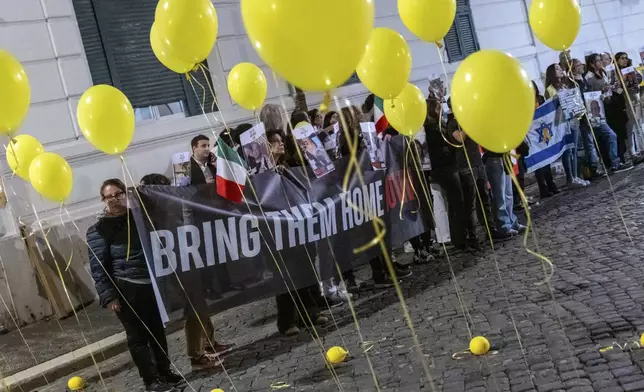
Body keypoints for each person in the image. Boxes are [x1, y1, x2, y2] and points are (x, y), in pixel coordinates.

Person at [88, 179, 180, 392]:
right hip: (126, 287)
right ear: (103, 200)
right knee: (138, 336)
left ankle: (164, 371)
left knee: (157, 330)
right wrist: (109, 296)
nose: (114, 199)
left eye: (118, 194)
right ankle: (151, 380)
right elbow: (98, 266)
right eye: (109, 196)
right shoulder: (98, 230)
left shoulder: (138, 218)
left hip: (151, 284)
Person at [266, 130, 329, 336]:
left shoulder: (288, 166)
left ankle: (309, 313)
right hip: (277, 230)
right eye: (275, 141)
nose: (280, 144)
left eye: (281, 140)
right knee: (284, 275)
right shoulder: (261, 173)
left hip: (297, 224)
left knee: (304, 269)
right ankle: (286, 321)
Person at [446, 98, 498, 241]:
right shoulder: (452, 124)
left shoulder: (468, 120)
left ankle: (490, 229)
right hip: (466, 166)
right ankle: (473, 236)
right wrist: (468, 124)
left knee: (485, 198)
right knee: (471, 203)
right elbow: (460, 138)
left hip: (477, 162)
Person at [424, 98, 472, 249]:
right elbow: (446, 145)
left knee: (454, 203)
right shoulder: (432, 128)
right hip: (444, 168)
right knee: (456, 202)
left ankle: (459, 236)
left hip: (446, 167)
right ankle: (459, 238)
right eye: (439, 108)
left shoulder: (435, 126)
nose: (441, 111)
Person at [585, 53, 632, 172]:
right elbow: (591, 96)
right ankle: (612, 163)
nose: (600, 62)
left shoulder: (603, 72)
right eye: (597, 61)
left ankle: (617, 160)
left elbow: (609, 86)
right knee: (608, 136)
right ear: (591, 64)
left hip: (609, 105)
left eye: (601, 60)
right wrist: (602, 91)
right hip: (599, 110)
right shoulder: (590, 78)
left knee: (614, 134)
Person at [544, 63, 588, 188]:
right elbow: (553, 106)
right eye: (557, 69)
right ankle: (570, 178)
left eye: (560, 68)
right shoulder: (550, 89)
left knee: (574, 149)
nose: (560, 70)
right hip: (562, 122)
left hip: (573, 118)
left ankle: (575, 176)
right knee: (567, 151)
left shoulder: (566, 84)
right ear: (552, 73)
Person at [614, 52, 644, 162]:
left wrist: (636, 79)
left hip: (635, 99)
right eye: (622, 58)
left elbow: (640, 78)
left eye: (626, 58)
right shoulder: (615, 73)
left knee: (639, 124)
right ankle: (633, 152)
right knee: (630, 127)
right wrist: (623, 88)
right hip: (625, 102)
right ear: (617, 60)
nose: (625, 60)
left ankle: (641, 148)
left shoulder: (630, 69)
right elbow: (615, 88)